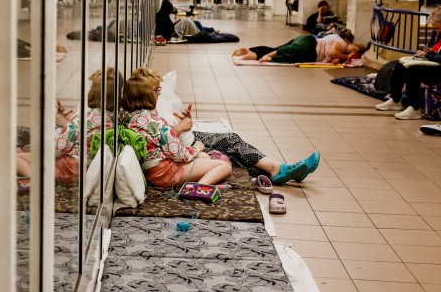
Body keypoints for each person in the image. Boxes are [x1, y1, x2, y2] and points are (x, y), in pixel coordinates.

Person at [132, 67, 319, 184]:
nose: (159, 93)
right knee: (230, 142)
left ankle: (277, 171)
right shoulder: (149, 114)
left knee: (232, 152)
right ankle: (277, 169)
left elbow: (167, 130)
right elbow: (164, 137)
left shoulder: (155, 105)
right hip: (184, 146)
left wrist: (184, 121)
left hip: (185, 141)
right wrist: (181, 128)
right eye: (156, 89)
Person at [121, 75, 232, 188]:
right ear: (148, 95)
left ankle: (203, 183)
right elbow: (179, 155)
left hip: (148, 171)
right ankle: (196, 188)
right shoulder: (156, 122)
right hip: (164, 173)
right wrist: (197, 147)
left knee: (203, 157)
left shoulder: (126, 118)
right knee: (224, 166)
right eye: (155, 91)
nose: (158, 94)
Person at [374, 5, 441, 120]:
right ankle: (395, 99)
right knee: (401, 65)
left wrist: (429, 55)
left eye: (438, 28)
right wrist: (428, 51)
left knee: (414, 71)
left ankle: (415, 107)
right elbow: (436, 48)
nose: (437, 31)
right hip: (440, 63)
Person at [15, 101, 80, 183]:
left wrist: (66, 124)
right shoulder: (91, 116)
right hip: (69, 160)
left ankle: (37, 182)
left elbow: (57, 150)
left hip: (68, 165)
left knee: (16, 159)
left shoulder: (85, 121)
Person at [233, 29, 363, 64]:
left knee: (277, 48)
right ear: (348, 41)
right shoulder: (342, 42)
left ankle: (252, 51)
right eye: (354, 47)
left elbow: (334, 58)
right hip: (310, 45)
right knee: (288, 52)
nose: (353, 49)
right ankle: (264, 57)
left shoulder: (338, 42)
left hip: (307, 41)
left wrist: (342, 59)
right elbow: (334, 52)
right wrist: (347, 56)